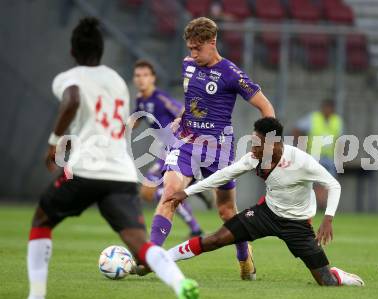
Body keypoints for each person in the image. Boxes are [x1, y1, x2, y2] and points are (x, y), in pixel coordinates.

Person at [26, 18, 198, 299]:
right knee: (138, 243)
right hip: (120, 174)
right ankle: (180, 284)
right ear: (102, 50)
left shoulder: (68, 78)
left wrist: (54, 142)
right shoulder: (117, 81)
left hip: (85, 170)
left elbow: (72, 100)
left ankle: (36, 295)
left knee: (42, 219)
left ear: (72, 51)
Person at [166, 117, 364, 287]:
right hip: (266, 213)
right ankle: (163, 259)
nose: (253, 148)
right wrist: (187, 192)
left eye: (257, 143)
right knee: (216, 239)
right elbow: (223, 175)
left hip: (297, 224)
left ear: (273, 144)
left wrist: (328, 218)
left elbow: (333, 184)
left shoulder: (301, 161)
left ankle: (337, 275)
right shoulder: (254, 157)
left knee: (326, 281)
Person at [149, 17, 275, 281]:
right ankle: (150, 257)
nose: (192, 54)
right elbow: (194, 101)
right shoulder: (188, 66)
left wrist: (265, 144)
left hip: (219, 149)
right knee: (170, 193)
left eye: (197, 48)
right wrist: (180, 119)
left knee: (226, 211)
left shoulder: (231, 73)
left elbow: (266, 107)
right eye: (190, 49)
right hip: (185, 143)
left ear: (212, 42)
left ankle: (244, 256)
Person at [132, 59, 211, 238]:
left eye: (145, 75)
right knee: (149, 191)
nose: (141, 79)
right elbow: (136, 120)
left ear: (153, 78)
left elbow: (184, 111)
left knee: (151, 186)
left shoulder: (160, 98)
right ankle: (192, 199)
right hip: (164, 146)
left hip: (176, 144)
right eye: (137, 76)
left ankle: (195, 227)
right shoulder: (140, 99)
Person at [293, 99, 343, 207]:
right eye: (326, 108)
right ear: (323, 108)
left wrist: (340, 157)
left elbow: (340, 139)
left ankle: (321, 205)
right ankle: (314, 204)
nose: (328, 110)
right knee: (312, 182)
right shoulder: (313, 117)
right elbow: (297, 129)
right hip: (314, 155)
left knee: (329, 182)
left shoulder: (337, 120)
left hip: (330, 157)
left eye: (330, 108)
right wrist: (301, 147)